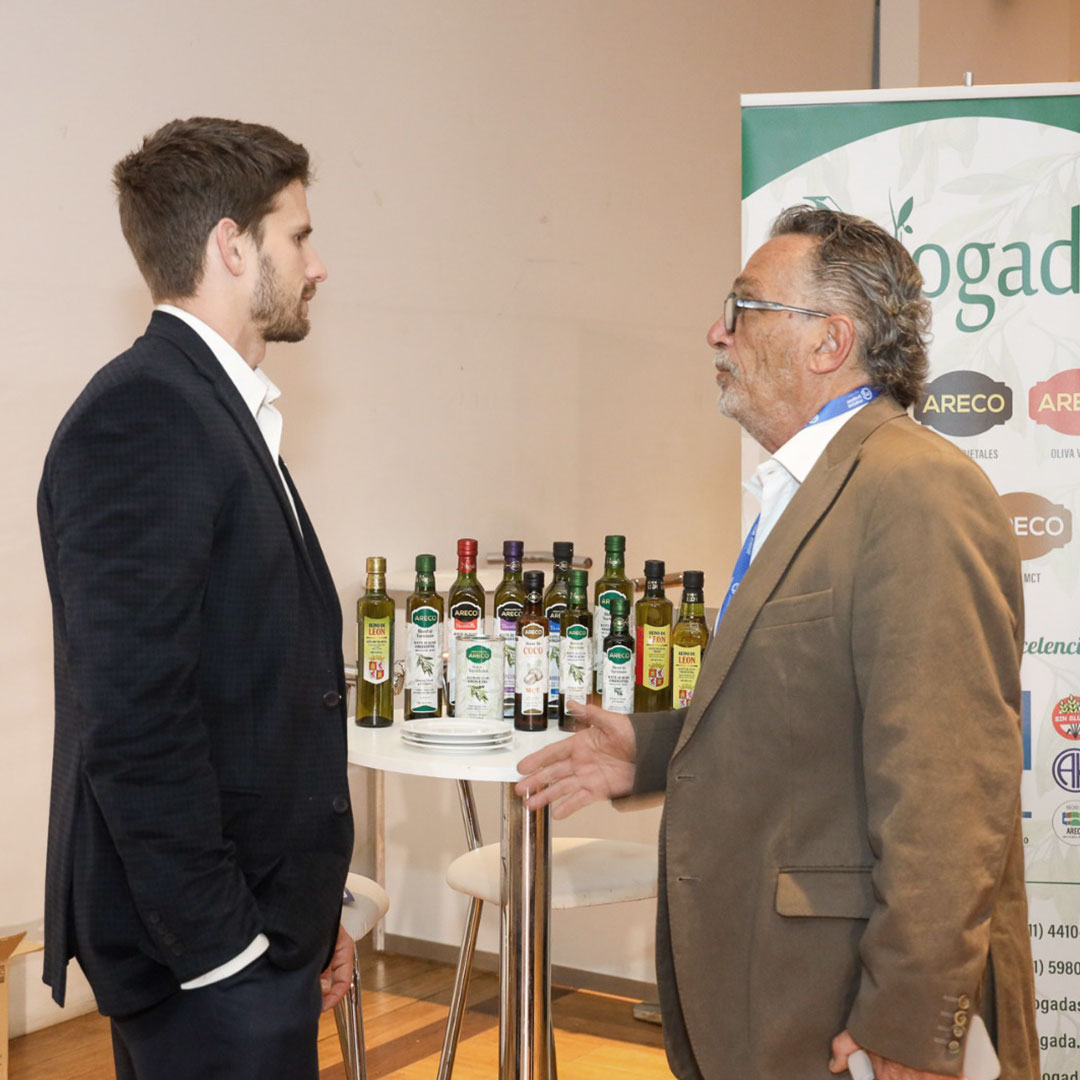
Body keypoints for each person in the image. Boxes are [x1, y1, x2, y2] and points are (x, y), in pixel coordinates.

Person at [518, 207, 1039, 1079]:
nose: (716, 332)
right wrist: (652, 749)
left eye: (743, 307)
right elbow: (808, 708)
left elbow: (949, 785)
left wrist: (911, 1019)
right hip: (779, 987)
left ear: (829, 341)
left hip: (848, 1003)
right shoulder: (813, 486)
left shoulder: (917, 491)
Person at [37, 117, 355, 1080]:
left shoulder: (212, 407)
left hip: (251, 936)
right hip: (204, 964)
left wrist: (308, 916)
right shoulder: (147, 413)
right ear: (232, 245)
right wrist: (229, 956)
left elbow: (248, 693)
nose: (316, 265)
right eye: (298, 236)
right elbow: (134, 719)